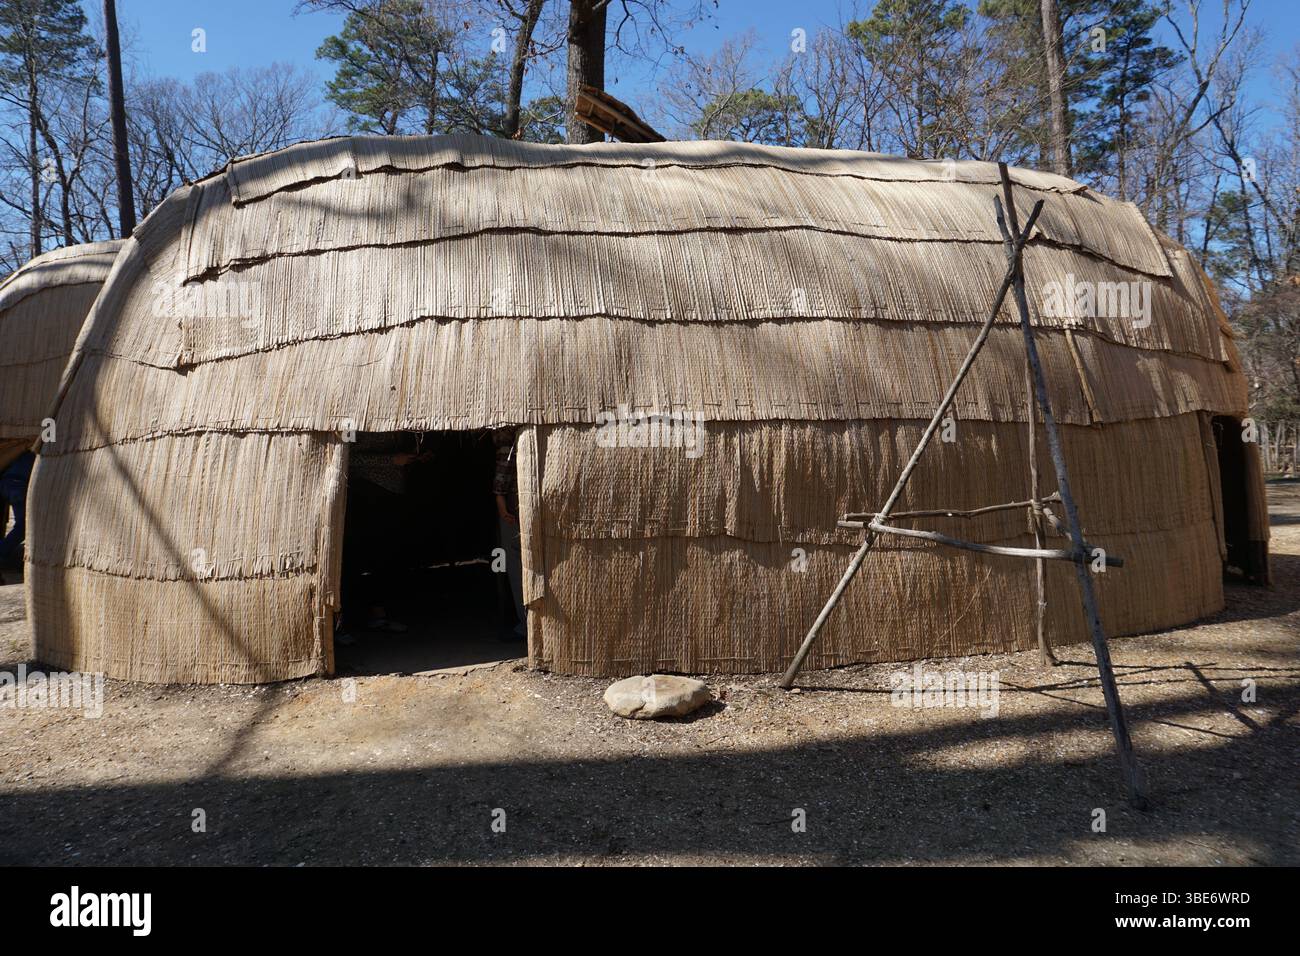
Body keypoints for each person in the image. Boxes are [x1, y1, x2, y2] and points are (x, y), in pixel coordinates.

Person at [337, 433, 430, 645]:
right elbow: (346, 457)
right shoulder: (353, 425)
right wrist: (390, 460)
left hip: (391, 495)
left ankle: (378, 615)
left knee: (385, 555)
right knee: (356, 557)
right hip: (365, 495)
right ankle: (343, 621)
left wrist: (414, 457)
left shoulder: (399, 426)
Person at [493, 427, 526, 642]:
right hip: (524, 506)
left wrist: (502, 508)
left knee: (514, 565)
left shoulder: (507, 446)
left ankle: (525, 623)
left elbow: (501, 481)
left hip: (513, 510)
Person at [0, 447, 35, 573]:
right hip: (17, 485)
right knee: (22, 527)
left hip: (5, 483)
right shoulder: (43, 453)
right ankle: (2, 551)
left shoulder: (21, 451)